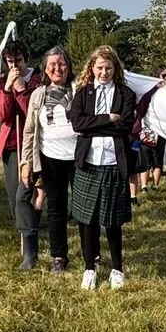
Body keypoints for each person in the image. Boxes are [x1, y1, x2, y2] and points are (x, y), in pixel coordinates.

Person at [68, 45, 137, 288]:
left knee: (113, 220)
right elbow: (77, 123)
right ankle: (89, 268)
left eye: (109, 68)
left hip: (113, 163)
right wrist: (108, 118)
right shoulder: (83, 92)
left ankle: (117, 269)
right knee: (87, 221)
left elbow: (126, 126)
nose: (104, 72)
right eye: (100, 67)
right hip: (88, 163)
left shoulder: (126, 94)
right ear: (92, 68)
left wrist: (92, 126)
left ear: (115, 69)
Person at [18, 46, 78, 273]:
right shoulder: (38, 94)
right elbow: (30, 131)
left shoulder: (78, 90)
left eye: (62, 63)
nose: (57, 68)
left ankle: (91, 254)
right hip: (50, 157)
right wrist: (26, 162)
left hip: (79, 156)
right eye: (52, 64)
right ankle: (59, 257)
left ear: (69, 67)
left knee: (83, 208)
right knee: (56, 207)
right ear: (45, 68)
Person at [0, 42, 43, 269]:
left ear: (26, 58)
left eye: (18, 60)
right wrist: (6, 91)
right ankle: (27, 236)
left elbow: (32, 113)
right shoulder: (2, 82)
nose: (15, 65)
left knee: (32, 194)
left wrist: (21, 89)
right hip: (12, 146)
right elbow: (2, 114)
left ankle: (32, 245)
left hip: (36, 145)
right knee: (16, 198)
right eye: (10, 62)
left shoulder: (38, 80)